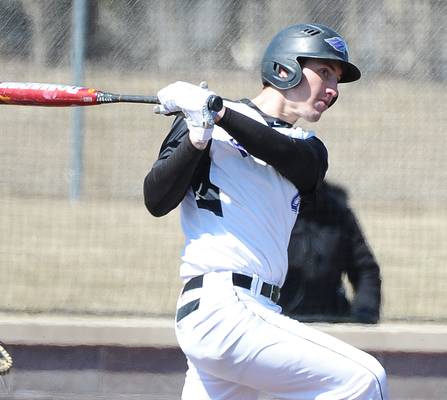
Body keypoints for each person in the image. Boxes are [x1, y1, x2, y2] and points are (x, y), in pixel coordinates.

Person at [143, 23, 389, 400]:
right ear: (284, 68)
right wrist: (196, 138)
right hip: (223, 306)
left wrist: (218, 112)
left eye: (336, 80)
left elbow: (282, 152)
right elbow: (156, 200)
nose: (333, 90)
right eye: (324, 72)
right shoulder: (202, 122)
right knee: (366, 378)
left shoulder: (308, 147)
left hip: (249, 311)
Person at [280, 180, 382, 324]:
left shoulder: (337, 212)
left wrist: (364, 314)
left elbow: (365, 270)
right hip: (278, 321)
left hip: (331, 319)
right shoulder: (272, 208)